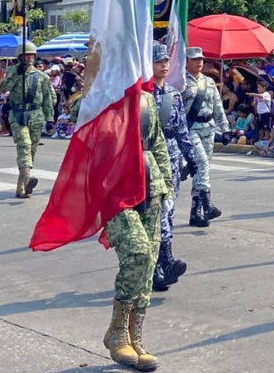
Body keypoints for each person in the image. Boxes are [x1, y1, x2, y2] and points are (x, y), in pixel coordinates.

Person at [101, 80, 171, 372]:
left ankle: (135, 339)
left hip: (150, 184)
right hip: (115, 188)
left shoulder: (147, 99)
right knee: (137, 253)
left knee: (149, 263)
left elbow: (157, 142)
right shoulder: (99, 97)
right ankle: (116, 331)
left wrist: (167, 185)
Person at [149, 43, 202, 292]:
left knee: (168, 210)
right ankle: (157, 266)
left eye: (165, 61)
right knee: (154, 212)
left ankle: (164, 262)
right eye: (158, 61)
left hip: (171, 158)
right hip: (149, 159)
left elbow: (181, 130)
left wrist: (190, 157)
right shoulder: (142, 95)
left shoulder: (174, 94)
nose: (163, 65)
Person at [181, 47, 230, 227]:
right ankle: (207, 205)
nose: (199, 62)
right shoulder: (180, 82)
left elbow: (217, 106)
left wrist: (225, 129)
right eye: (194, 59)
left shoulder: (209, 82)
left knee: (203, 169)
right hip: (191, 128)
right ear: (186, 61)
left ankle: (196, 212)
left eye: (201, 59)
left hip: (208, 129)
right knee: (201, 163)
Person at [0, 40, 54, 199]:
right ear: (20, 57)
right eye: (26, 55)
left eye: (31, 55)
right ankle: (28, 178)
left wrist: (50, 118)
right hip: (18, 114)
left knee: (31, 150)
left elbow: (47, 99)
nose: (29, 58)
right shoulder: (12, 72)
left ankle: (21, 186)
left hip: (36, 115)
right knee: (24, 145)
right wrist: (17, 74)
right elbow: (2, 87)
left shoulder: (42, 76)